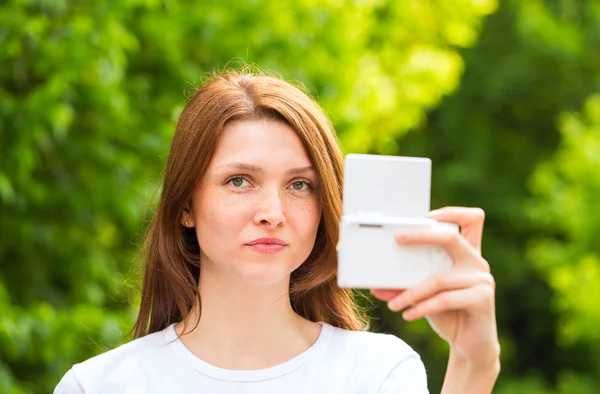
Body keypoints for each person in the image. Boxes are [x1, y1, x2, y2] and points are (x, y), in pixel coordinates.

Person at [54, 69, 500, 393]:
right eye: (239, 181)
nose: (273, 212)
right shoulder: (97, 386)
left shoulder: (378, 373)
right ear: (185, 206)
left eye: (300, 185)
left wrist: (474, 366)